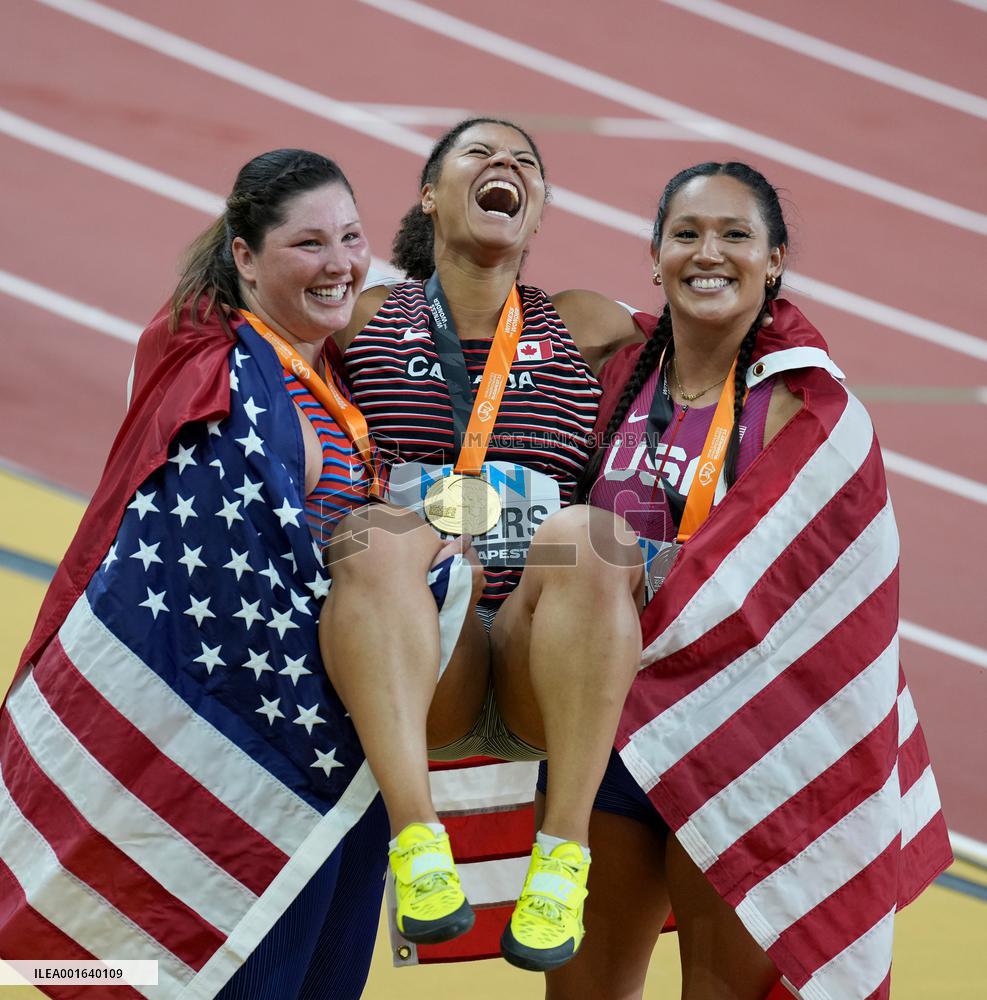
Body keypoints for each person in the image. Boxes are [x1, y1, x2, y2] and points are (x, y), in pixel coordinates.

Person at [0, 149, 473, 1000]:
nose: (339, 265)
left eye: (351, 238)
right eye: (308, 245)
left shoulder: (335, 376)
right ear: (246, 257)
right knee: (224, 973)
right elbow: (226, 565)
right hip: (256, 743)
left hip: (345, 740)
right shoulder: (216, 371)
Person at [537, 162, 953, 999]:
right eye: (686, 234)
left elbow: (816, 599)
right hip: (611, 732)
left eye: (735, 235)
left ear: (774, 261)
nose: (708, 253)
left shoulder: (814, 415)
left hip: (749, 744)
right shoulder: (617, 375)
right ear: (653, 257)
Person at [323, 116, 648, 971]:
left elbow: (710, 353)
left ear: (536, 215)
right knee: (375, 532)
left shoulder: (585, 324)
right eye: (479, 153)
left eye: (526, 163)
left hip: (543, 650)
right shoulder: (360, 324)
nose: (506, 164)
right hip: (424, 649)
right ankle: (416, 839)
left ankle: (561, 855)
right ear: (429, 196)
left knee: (592, 535)